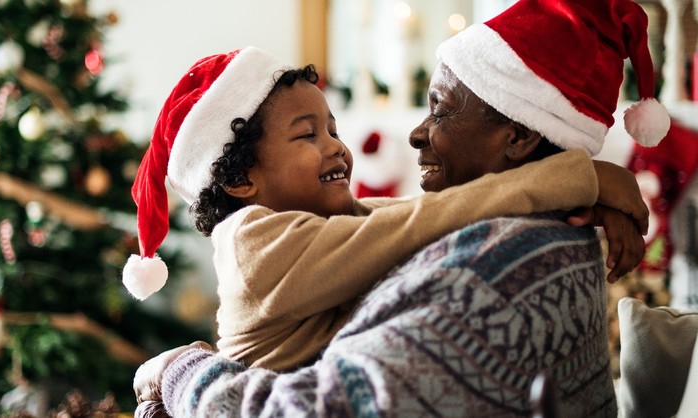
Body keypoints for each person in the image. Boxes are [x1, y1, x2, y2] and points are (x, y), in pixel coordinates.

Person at [131, 0, 670, 416]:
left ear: (520, 137)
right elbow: (418, 221)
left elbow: (408, 220)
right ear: (244, 180)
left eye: (332, 129)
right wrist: (579, 177)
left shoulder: (491, 270)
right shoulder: (254, 242)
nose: (337, 146)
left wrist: (585, 187)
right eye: (307, 135)